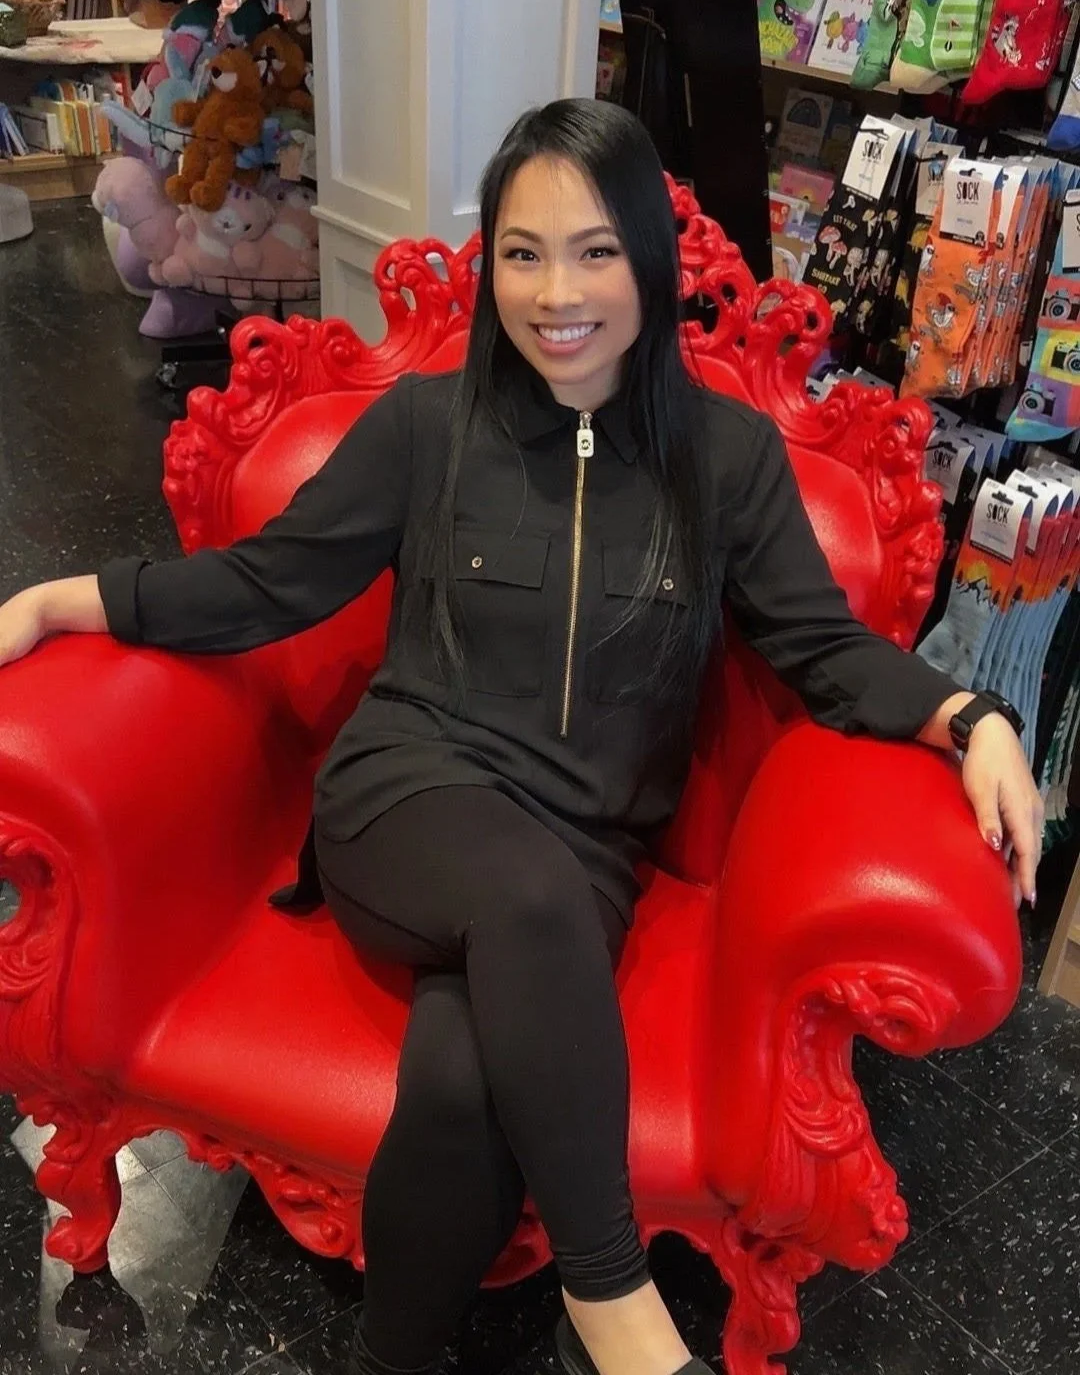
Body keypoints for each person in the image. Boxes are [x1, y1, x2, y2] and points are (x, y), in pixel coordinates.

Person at [0, 100, 1042, 1375]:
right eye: (523, 252)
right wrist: (65, 599)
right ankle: (617, 1305)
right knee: (523, 897)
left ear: (649, 267)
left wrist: (971, 714)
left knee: (458, 1083)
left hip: (581, 852)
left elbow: (821, 650)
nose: (557, 293)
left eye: (596, 252)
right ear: (489, 261)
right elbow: (263, 583)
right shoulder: (428, 427)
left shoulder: (729, 460)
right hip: (405, 802)